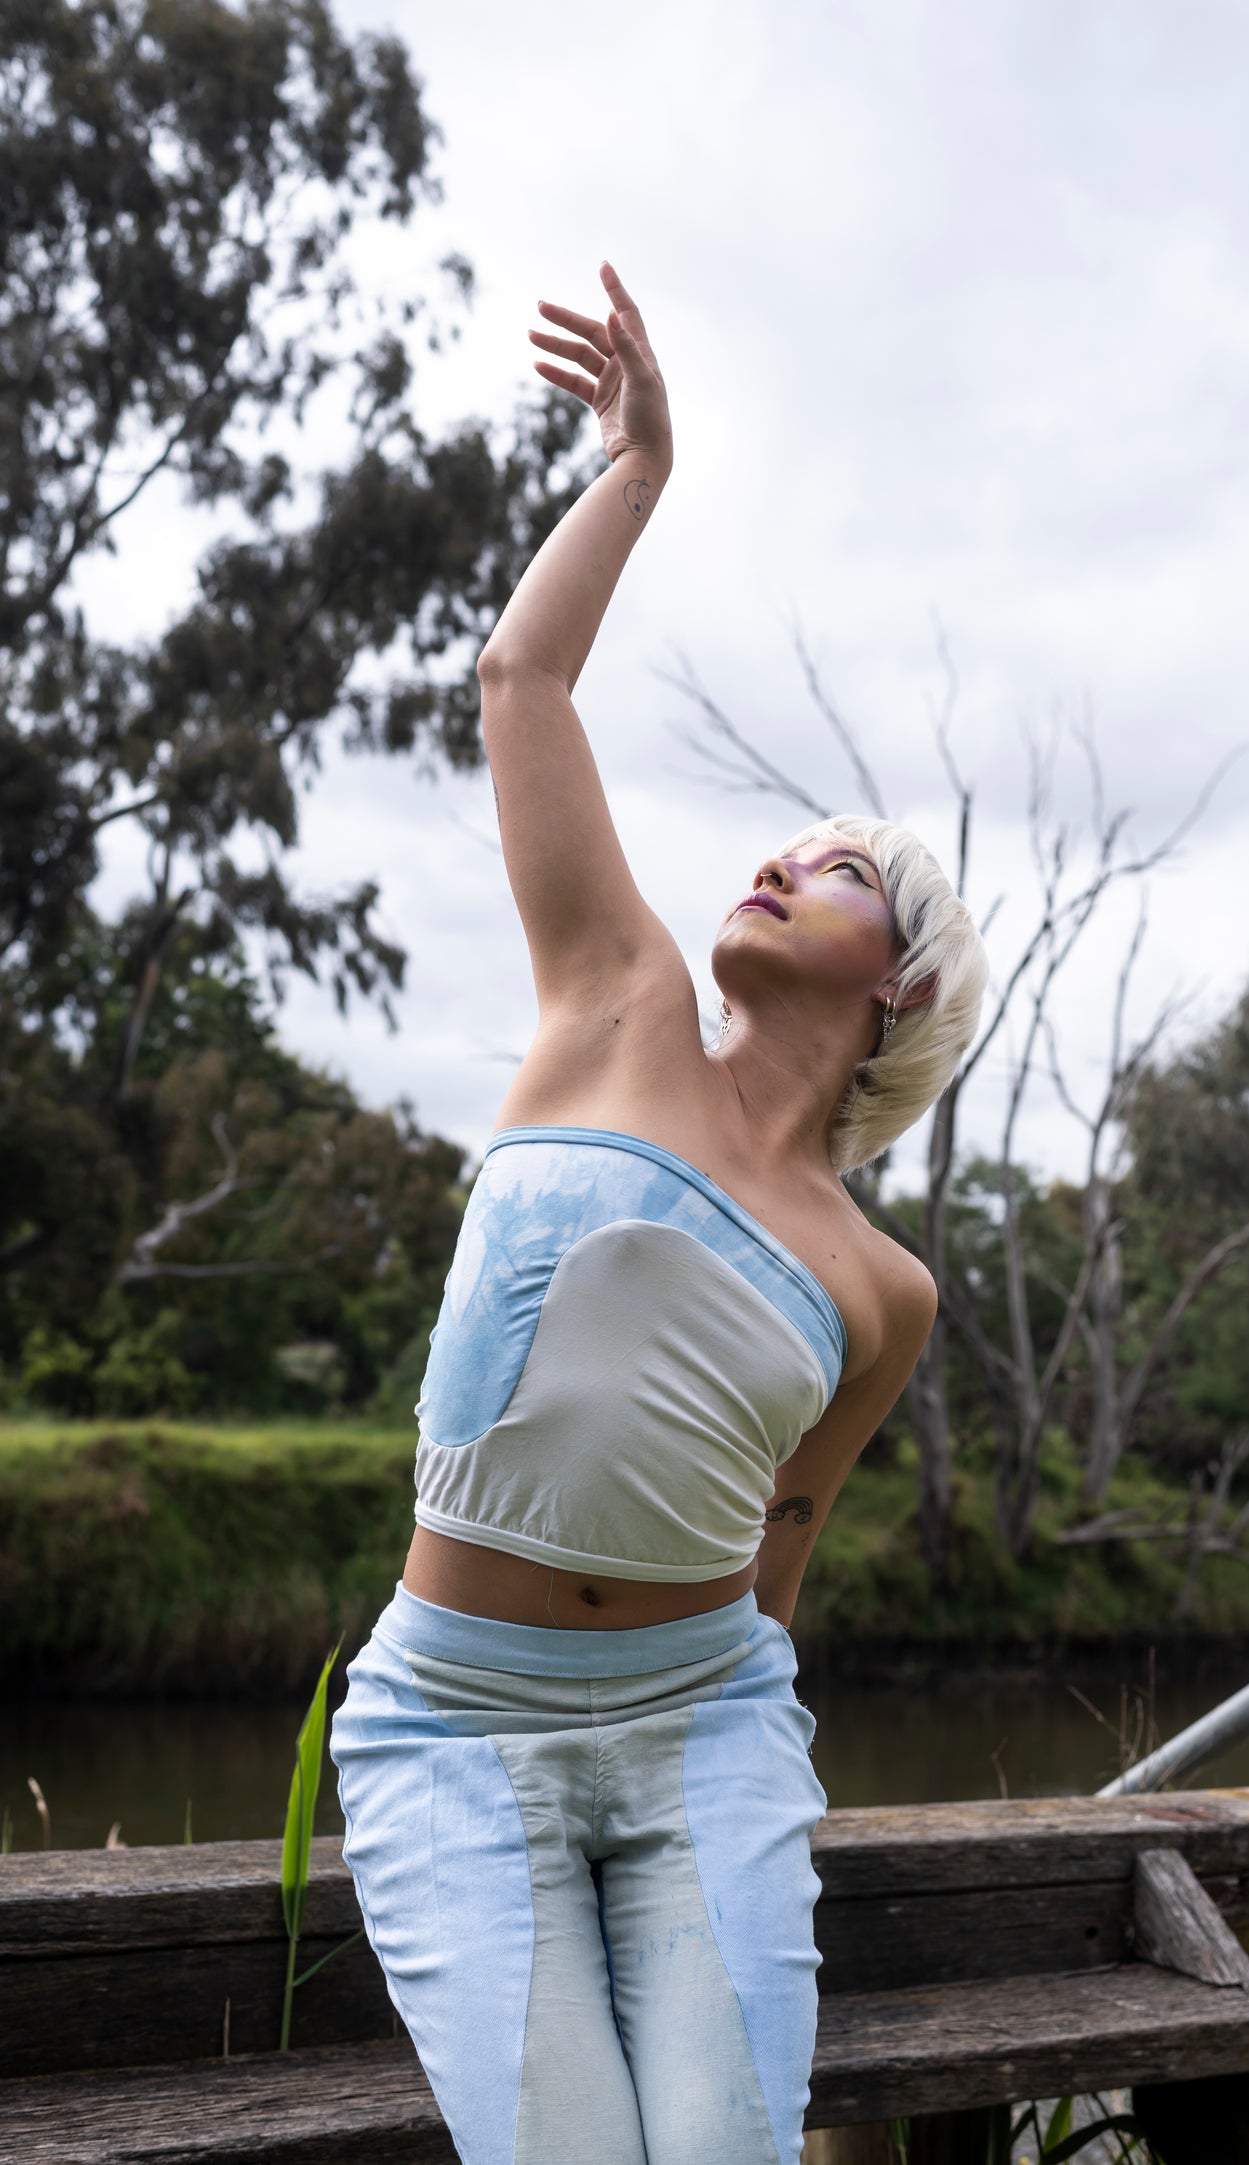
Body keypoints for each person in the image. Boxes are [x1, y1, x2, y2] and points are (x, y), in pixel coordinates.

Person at [329, 264, 989, 2165]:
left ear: (900, 988)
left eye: (843, 867)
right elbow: (519, 682)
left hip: (704, 1729)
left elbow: (780, 1544)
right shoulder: (612, 998)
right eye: (787, 840)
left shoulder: (880, 1288)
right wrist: (637, 471)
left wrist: (754, 1745)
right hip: (454, 1727)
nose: (785, 858)